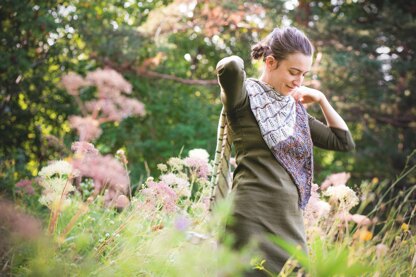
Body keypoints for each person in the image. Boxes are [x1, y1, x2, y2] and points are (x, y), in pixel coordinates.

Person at [209, 27, 355, 276]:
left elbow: (343, 142)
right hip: (250, 217)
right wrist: (259, 51)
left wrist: (321, 99)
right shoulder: (243, 99)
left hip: (289, 222)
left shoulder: (295, 113)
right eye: (293, 72)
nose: (298, 81)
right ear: (270, 62)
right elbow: (230, 66)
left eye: (304, 75)